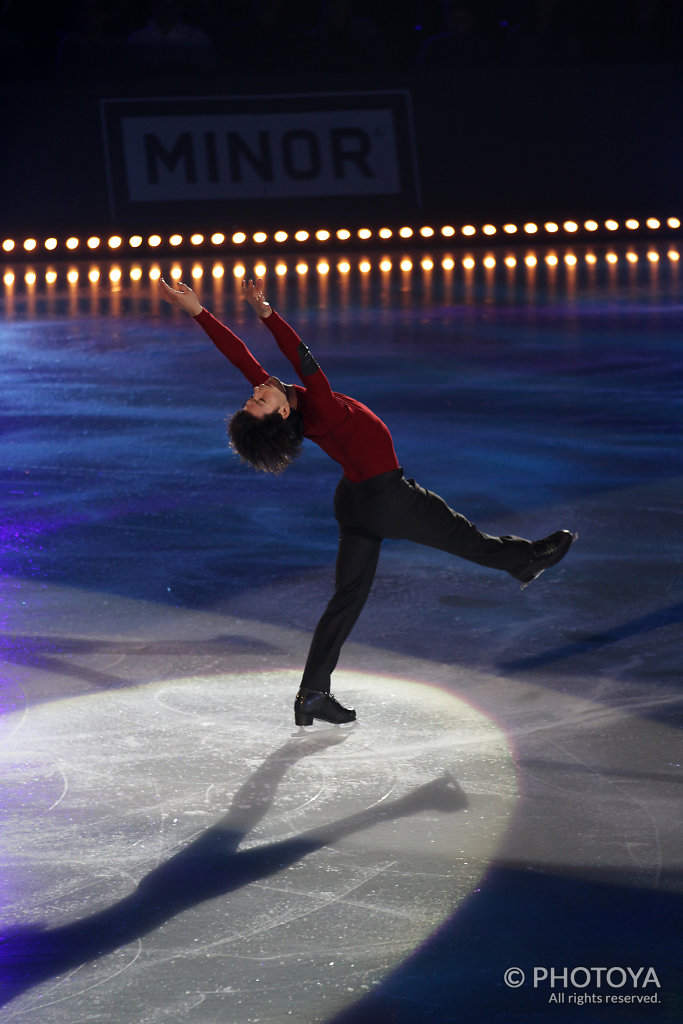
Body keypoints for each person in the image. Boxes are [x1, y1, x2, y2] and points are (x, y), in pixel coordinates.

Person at [160, 277, 577, 727]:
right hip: (388, 497)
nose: (256, 389)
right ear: (280, 413)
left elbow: (238, 354)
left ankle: (312, 693)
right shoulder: (321, 408)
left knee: (347, 598)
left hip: (356, 500)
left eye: (253, 396)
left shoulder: (288, 402)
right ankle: (525, 560)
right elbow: (303, 357)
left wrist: (198, 310)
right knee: (468, 539)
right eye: (258, 399)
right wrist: (265, 313)